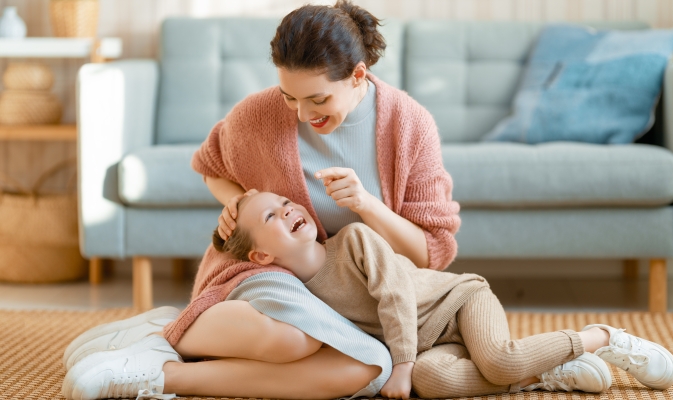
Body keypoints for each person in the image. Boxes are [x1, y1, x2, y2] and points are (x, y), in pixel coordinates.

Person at [62, 1, 465, 399]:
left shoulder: (410, 125)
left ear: (357, 74)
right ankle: (176, 332)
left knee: (369, 368)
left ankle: (160, 369)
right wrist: (240, 203)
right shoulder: (260, 113)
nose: (303, 114)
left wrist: (366, 204)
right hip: (270, 271)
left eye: (318, 100)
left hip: (358, 303)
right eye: (291, 97)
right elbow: (211, 165)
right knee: (296, 339)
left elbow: (430, 254)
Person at [211, 190, 673, 398]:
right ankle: (542, 372)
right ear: (260, 259)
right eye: (271, 216)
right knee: (431, 385)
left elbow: (394, 296)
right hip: (431, 343)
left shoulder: (353, 240)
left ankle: (603, 338)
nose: (288, 208)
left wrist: (402, 365)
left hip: (457, 302)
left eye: (286, 201)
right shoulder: (291, 293)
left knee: (496, 361)